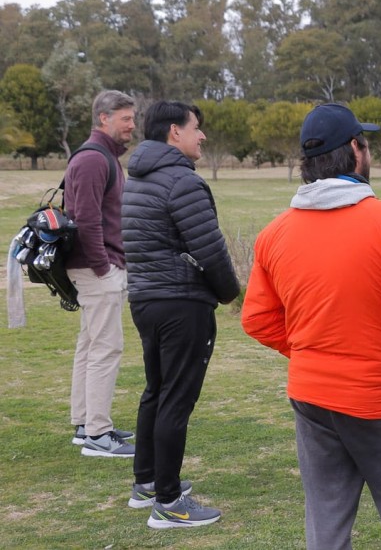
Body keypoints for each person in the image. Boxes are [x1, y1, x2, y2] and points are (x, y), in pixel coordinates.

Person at [241, 103, 381, 549]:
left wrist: (309, 353)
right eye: (366, 142)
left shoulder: (275, 233)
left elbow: (258, 318)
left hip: (313, 398)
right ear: (355, 150)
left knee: (327, 526)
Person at [122, 101, 240, 528]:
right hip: (180, 303)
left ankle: (148, 482)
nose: (202, 136)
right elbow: (211, 250)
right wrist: (230, 293)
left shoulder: (137, 178)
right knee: (175, 398)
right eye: (197, 128)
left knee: (156, 390)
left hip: (146, 301)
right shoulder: (181, 182)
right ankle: (169, 504)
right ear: (175, 132)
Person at [64, 90, 137, 457]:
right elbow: (87, 220)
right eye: (125, 118)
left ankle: (85, 423)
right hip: (97, 269)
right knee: (106, 348)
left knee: (91, 345)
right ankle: (97, 434)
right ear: (104, 119)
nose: (132, 125)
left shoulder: (102, 156)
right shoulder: (95, 159)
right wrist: (103, 267)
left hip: (94, 267)